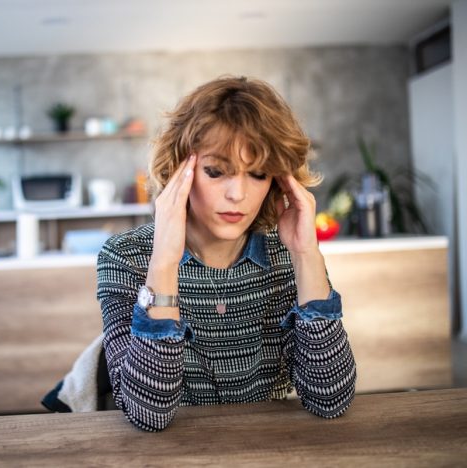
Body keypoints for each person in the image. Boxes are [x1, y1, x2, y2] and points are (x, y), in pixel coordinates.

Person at [96, 76, 356, 432]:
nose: (238, 194)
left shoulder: (286, 256)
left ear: (279, 180)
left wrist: (306, 255)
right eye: (216, 171)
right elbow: (148, 414)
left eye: (258, 173)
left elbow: (331, 399)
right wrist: (164, 263)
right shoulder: (125, 256)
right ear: (178, 170)